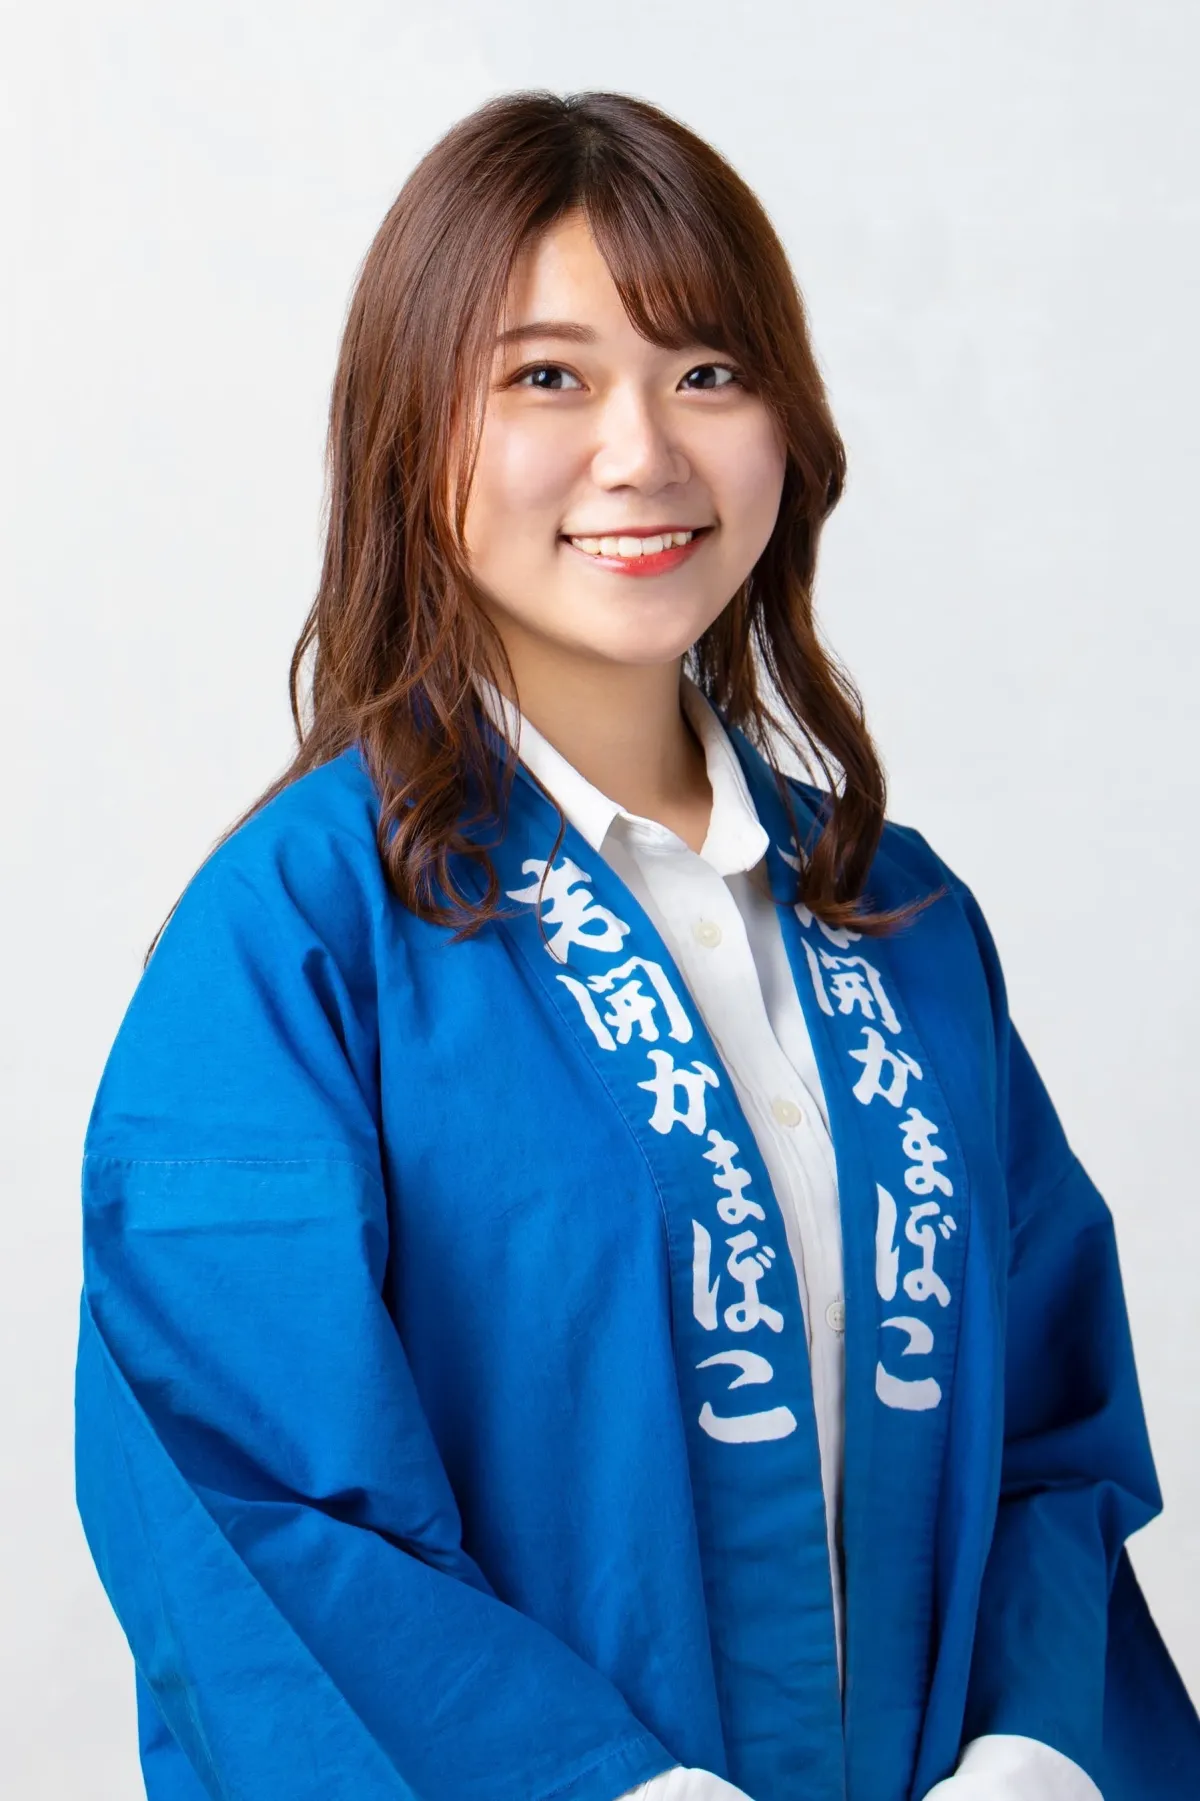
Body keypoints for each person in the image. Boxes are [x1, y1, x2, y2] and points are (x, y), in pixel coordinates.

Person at [74, 89, 1199, 1801]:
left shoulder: (897, 920)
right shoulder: (296, 941)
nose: (642, 453)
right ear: (413, 425)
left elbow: (1047, 1437)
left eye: (709, 372)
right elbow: (249, 1502)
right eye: (549, 377)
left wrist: (1035, 1758)